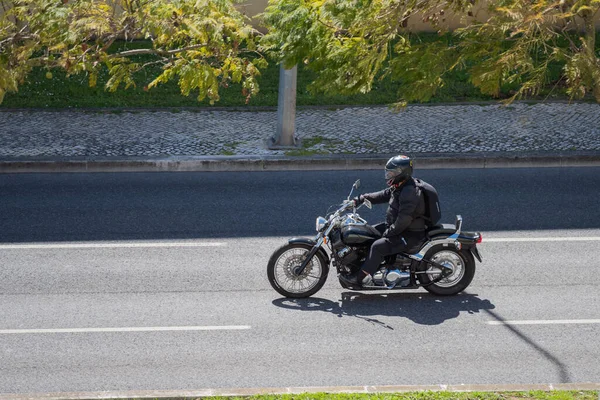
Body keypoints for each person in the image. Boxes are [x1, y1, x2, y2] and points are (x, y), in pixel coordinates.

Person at [340, 155, 427, 287]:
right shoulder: (400, 185)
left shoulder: (409, 192)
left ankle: (359, 278)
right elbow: (384, 194)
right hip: (398, 228)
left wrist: (388, 233)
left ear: (401, 173)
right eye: (388, 171)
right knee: (368, 234)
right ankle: (363, 265)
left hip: (409, 234)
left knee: (377, 247)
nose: (388, 175)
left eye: (391, 172)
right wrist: (361, 199)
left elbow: (404, 220)